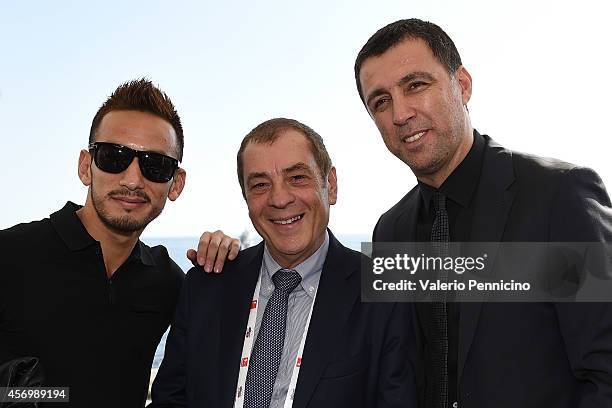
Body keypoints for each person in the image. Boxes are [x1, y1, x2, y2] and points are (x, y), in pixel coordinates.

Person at [354, 19, 612, 407]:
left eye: (416, 85)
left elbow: (605, 371)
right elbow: (400, 374)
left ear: (462, 85)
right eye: (381, 101)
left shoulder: (559, 194)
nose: (400, 113)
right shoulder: (390, 231)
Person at [0, 79, 239, 408]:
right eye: (114, 157)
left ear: (175, 184)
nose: (132, 179)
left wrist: (227, 262)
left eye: (155, 165)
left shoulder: (168, 281)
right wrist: (46, 395)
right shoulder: (10, 255)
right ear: (86, 167)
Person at [150, 118, 417, 408]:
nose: (279, 199)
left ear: (331, 184)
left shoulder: (385, 294)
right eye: (261, 184)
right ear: (246, 199)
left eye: (297, 178)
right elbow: (170, 400)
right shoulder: (206, 285)